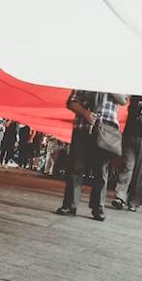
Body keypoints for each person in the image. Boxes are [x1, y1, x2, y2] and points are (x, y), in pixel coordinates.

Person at [56, 90, 127, 221]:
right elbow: (71, 102)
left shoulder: (118, 82)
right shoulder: (86, 79)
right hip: (82, 126)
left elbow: (123, 100)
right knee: (76, 168)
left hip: (105, 129)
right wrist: (85, 113)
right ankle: (70, 205)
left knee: (101, 170)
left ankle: (98, 208)